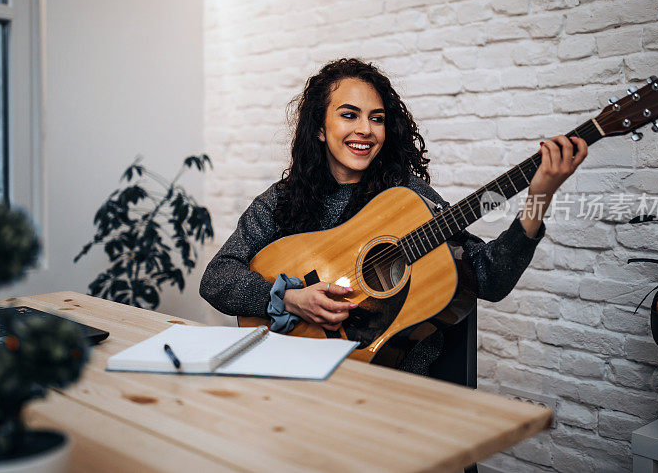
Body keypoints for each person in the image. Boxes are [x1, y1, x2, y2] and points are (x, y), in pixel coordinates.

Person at [200, 58, 587, 378]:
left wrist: (539, 196)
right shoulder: (281, 201)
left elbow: (489, 278)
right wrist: (289, 298)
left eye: (377, 118)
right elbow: (217, 278)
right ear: (320, 128)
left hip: (394, 387)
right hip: (291, 376)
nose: (365, 130)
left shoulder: (406, 200)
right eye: (349, 115)